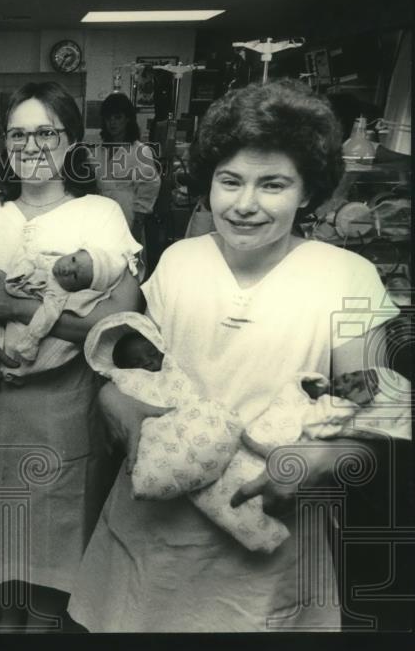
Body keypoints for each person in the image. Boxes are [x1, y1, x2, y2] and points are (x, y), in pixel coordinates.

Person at [67, 80, 410, 631]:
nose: (245, 204)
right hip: (156, 528)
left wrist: (317, 459)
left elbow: (375, 400)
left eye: (272, 184)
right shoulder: (180, 262)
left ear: (307, 192)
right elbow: (136, 370)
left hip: (269, 538)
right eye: (230, 181)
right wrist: (119, 410)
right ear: (210, 184)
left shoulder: (344, 275)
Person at [0, 81, 143, 630]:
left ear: (71, 141)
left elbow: (120, 323)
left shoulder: (99, 215)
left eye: (45, 132)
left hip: (57, 410)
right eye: (18, 134)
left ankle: (42, 623)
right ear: (3, 144)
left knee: (50, 531)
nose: (31, 146)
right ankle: (3, 620)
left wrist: (20, 309)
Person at [92, 93, 161, 243]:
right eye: (108, 118)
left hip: (127, 214)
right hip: (101, 215)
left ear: (127, 118)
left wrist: (138, 224)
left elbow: (150, 187)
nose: (112, 122)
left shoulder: (140, 151)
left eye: (118, 117)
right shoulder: (98, 151)